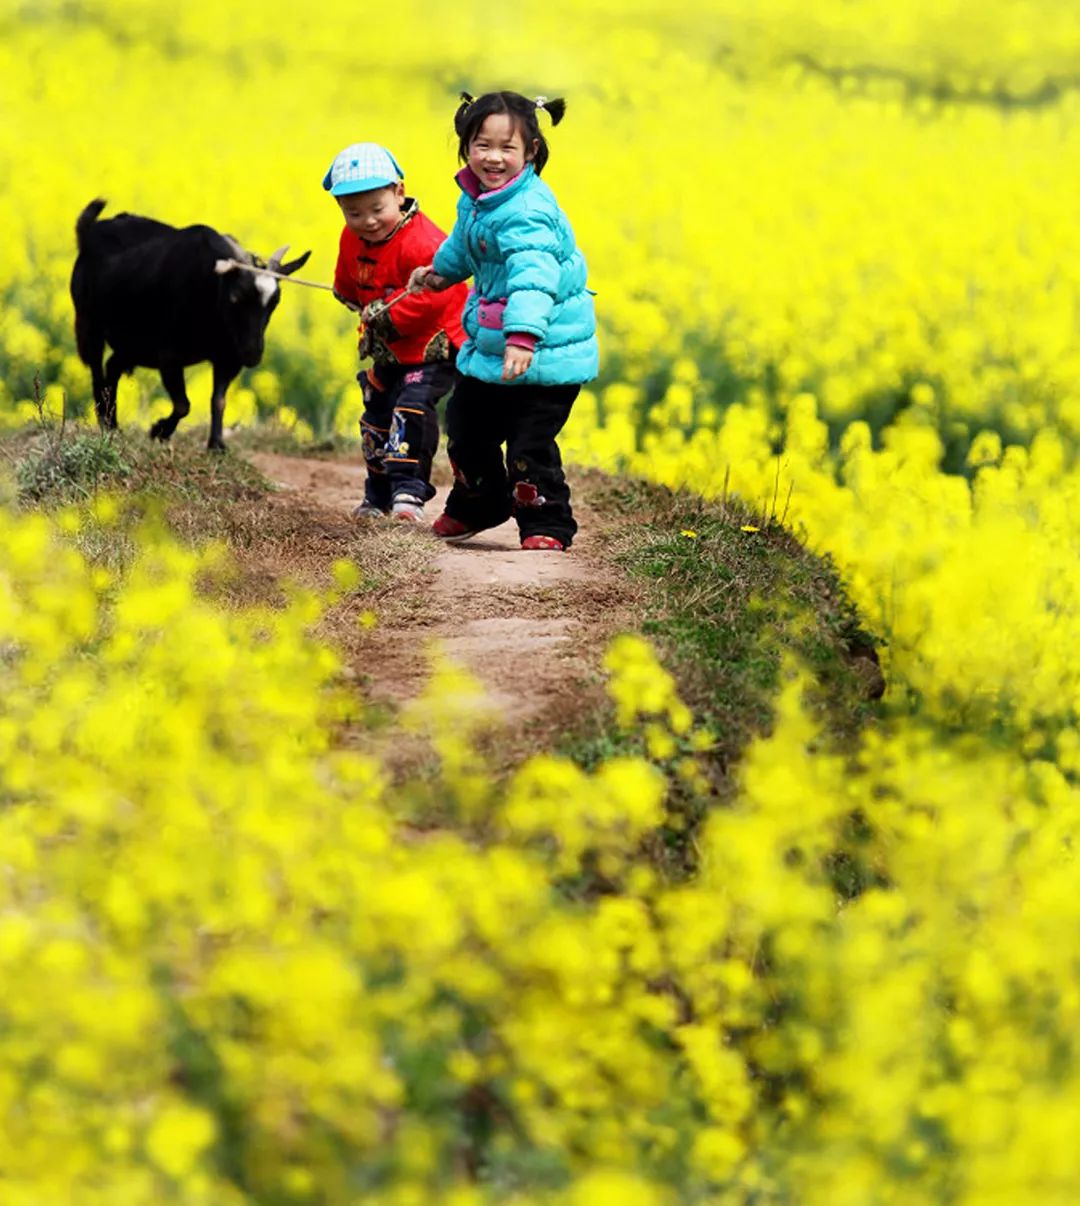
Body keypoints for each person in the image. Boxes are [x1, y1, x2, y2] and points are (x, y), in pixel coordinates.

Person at [409, 92, 598, 551]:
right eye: (482, 145)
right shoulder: (478, 198)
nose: (493, 157)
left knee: (529, 447)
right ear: (466, 146)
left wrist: (523, 336)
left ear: (531, 151)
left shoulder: (527, 210)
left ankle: (546, 524)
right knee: (466, 426)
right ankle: (480, 503)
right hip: (494, 342)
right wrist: (440, 274)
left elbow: (535, 277)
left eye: (506, 148)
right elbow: (464, 244)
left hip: (543, 351)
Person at [325, 142, 467, 521]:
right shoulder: (350, 237)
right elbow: (348, 278)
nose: (367, 221)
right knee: (375, 415)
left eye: (377, 209)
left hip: (432, 346)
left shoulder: (424, 241)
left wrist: (383, 316)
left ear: (399, 193)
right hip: (390, 351)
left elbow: (436, 298)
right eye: (353, 212)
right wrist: (347, 295)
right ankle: (378, 494)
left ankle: (409, 492)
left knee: (411, 407)